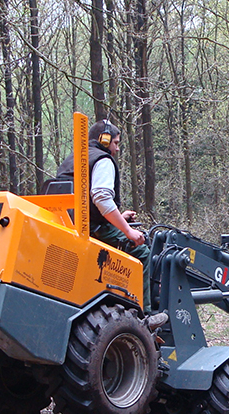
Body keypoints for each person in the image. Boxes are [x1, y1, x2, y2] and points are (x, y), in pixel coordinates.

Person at [56, 119, 156, 313]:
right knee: (142, 251)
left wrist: (119, 215)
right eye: (116, 143)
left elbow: (86, 199)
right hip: (92, 228)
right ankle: (146, 314)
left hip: (69, 223)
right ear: (104, 140)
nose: (117, 149)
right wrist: (128, 231)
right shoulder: (102, 160)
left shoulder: (74, 159)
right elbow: (101, 199)